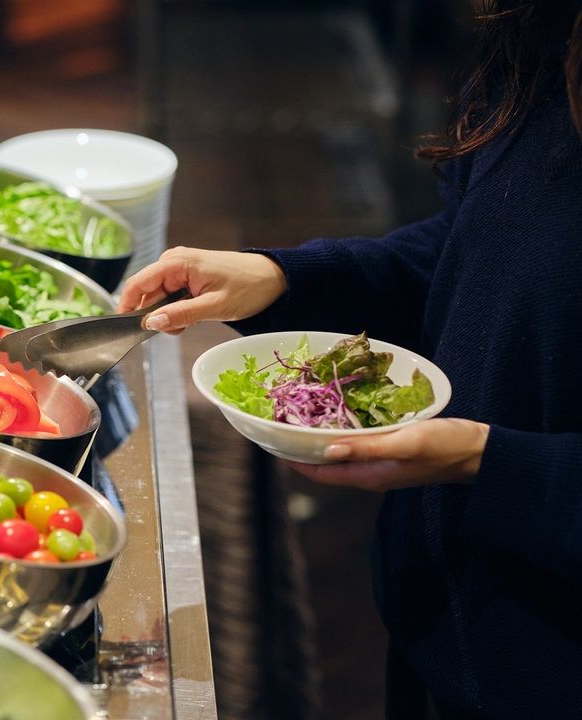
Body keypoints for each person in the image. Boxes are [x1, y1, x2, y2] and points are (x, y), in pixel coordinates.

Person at [117, 1, 582, 717]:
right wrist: (286, 278)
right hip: (447, 625)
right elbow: (472, 250)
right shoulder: (542, 36)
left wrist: (487, 461)